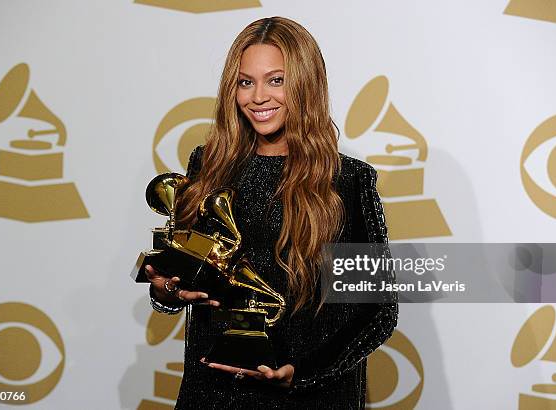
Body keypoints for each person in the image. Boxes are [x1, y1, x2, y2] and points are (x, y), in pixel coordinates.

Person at [145, 16, 398, 409]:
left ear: (304, 83)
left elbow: (377, 312)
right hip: (213, 391)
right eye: (246, 82)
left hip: (311, 395)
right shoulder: (208, 166)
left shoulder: (346, 180)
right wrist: (169, 290)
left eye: (275, 80)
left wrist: (305, 371)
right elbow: (188, 275)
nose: (258, 97)